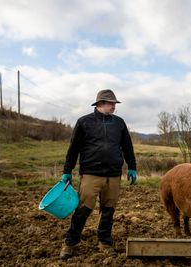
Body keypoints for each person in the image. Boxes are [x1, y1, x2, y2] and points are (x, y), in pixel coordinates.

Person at [59, 89, 137, 259]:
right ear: (100, 104)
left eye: (115, 103)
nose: (114, 106)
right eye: (111, 103)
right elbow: (73, 149)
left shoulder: (119, 123)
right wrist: (67, 170)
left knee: (109, 210)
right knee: (83, 209)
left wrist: (132, 166)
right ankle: (70, 243)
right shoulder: (84, 122)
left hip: (113, 175)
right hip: (90, 174)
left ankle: (104, 241)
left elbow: (127, 147)